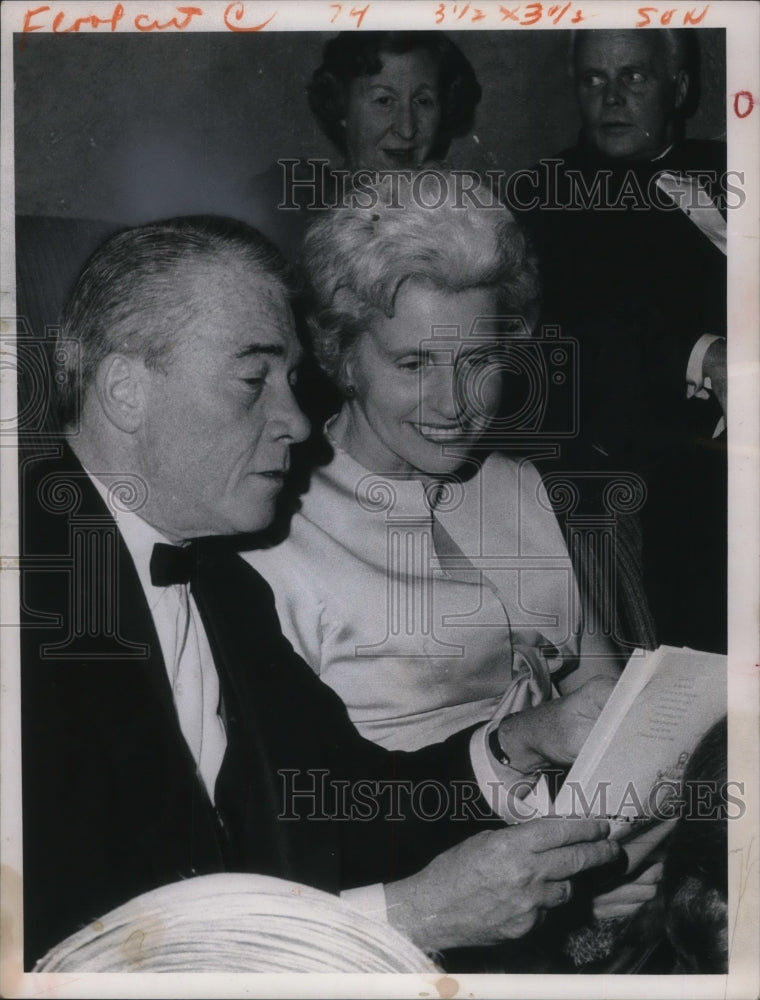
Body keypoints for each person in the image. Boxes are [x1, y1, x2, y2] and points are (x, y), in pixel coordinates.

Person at [19, 215, 621, 971]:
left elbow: (344, 798)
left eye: (291, 379)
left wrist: (514, 747)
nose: (298, 420)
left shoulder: (223, 584)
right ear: (125, 390)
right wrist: (407, 916)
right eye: (253, 380)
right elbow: (75, 960)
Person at [245, 174, 623, 753]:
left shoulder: (520, 483)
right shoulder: (278, 530)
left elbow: (607, 695)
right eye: (413, 365)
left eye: (478, 360)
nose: (453, 405)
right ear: (343, 358)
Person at [511, 29, 728, 653]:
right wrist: (706, 357)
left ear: (680, 87)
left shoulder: (734, 166)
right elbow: (592, 332)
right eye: (593, 80)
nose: (611, 99)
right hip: (668, 470)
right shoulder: (545, 196)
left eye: (634, 77)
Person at [246, 31, 481, 260]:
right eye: (384, 100)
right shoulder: (284, 207)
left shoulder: (467, 220)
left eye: (423, 101)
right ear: (341, 106)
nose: (407, 129)